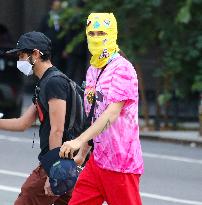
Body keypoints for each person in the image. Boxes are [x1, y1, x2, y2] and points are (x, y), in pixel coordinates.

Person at [59, 13, 144, 205]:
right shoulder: (93, 70)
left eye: (101, 33)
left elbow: (111, 114)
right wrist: (83, 152)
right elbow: (93, 115)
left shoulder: (123, 69)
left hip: (121, 164)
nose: (96, 38)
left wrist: (78, 140)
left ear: (112, 34)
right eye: (92, 33)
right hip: (97, 161)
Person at [0, 31, 75, 205]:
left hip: (59, 163)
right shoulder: (43, 83)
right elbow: (22, 123)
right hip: (65, 163)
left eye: (21, 55)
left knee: (27, 198)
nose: (19, 60)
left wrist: (53, 173)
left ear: (35, 54)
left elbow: (57, 130)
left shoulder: (54, 82)